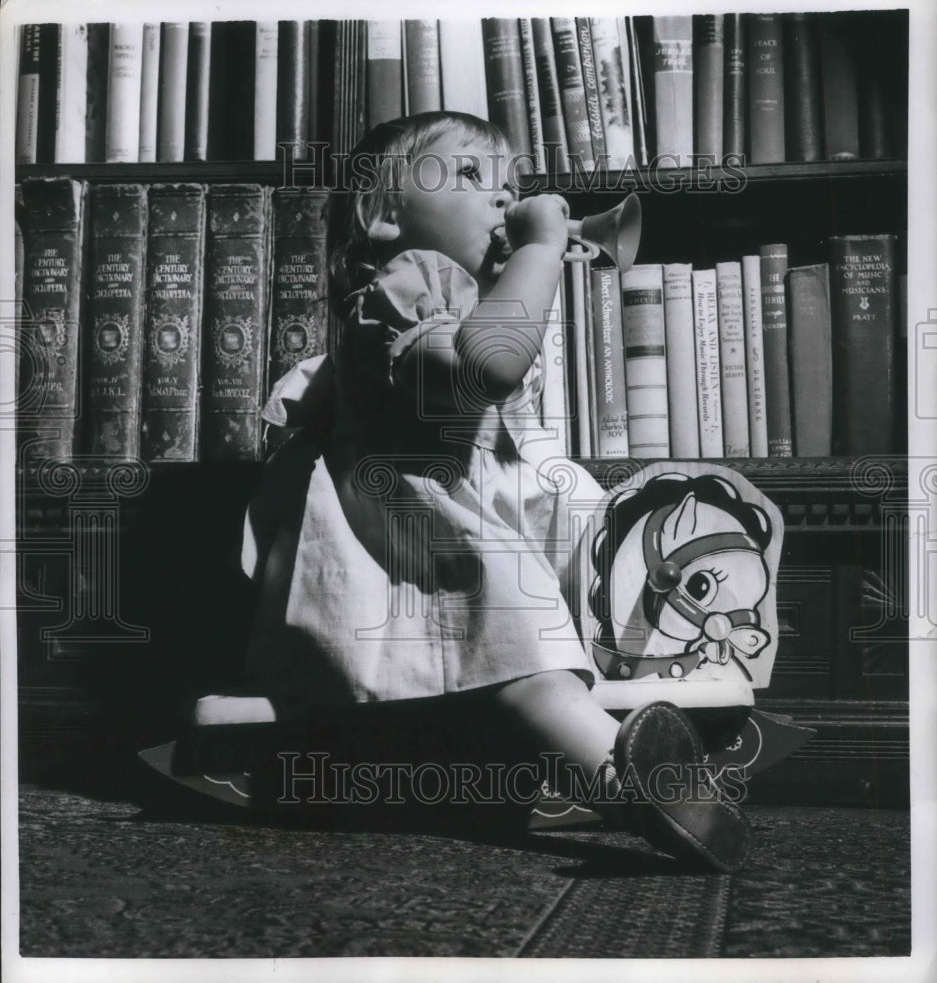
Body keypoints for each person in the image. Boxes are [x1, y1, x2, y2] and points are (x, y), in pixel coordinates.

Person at [228, 111, 750, 871]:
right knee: (526, 662)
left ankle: (625, 765)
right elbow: (488, 370)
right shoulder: (409, 283)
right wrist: (539, 247)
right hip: (420, 534)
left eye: (508, 184)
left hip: (457, 515)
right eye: (470, 176)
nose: (501, 199)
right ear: (380, 212)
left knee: (516, 652)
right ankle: (629, 781)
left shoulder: (457, 294)